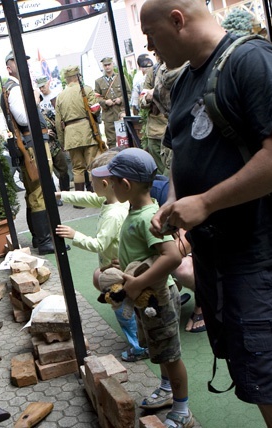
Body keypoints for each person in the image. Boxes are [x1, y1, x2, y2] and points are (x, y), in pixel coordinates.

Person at [142, 0, 272, 426]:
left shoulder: (252, 60)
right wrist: (174, 201)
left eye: (151, 32)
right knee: (253, 372)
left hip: (251, 250)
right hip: (216, 252)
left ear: (177, 20)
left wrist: (206, 202)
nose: (148, 44)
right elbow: (184, 150)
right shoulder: (186, 79)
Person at [93, 147, 191, 428]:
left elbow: (172, 256)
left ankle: (182, 410)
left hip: (157, 298)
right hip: (146, 300)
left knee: (171, 357)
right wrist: (122, 263)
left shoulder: (149, 218)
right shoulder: (135, 212)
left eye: (111, 181)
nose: (108, 186)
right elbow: (143, 255)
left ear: (125, 185)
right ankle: (167, 388)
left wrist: (136, 282)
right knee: (159, 349)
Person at [55, 150, 148, 362]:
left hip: (117, 272)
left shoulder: (113, 214)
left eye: (92, 183)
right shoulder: (113, 201)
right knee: (134, 306)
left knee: (124, 311)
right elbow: (89, 197)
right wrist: (62, 194)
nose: (90, 187)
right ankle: (143, 339)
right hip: (120, 266)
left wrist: (74, 235)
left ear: (106, 185)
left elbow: (99, 244)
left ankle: (139, 347)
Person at [0, 50, 55, 255]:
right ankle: (45, 241)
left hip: (30, 143)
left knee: (35, 191)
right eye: (19, 61)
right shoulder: (14, 89)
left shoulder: (12, 87)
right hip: (32, 143)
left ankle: (40, 238)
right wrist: (35, 100)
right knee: (40, 191)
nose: (25, 64)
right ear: (9, 66)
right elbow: (24, 118)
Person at [55, 65, 102, 202]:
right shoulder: (86, 90)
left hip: (70, 134)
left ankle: (79, 201)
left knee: (77, 168)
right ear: (78, 76)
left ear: (66, 78)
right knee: (92, 165)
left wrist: (62, 141)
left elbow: (58, 123)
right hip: (87, 131)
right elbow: (95, 109)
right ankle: (95, 197)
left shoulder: (60, 96)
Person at [139, 60, 186, 175]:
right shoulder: (153, 72)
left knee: (170, 174)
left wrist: (157, 92)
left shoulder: (183, 65)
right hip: (155, 131)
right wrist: (149, 97)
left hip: (174, 130)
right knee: (160, 174)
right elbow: (141, 100)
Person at [36, 75, 70, 205]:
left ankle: (66, 194)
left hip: (55, 142)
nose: (42, 89)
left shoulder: (52, 103)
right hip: (45, 144)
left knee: (63, 169)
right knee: (48, 173)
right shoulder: (35, 108)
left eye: (43, 86)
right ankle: (55, 197)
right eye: (40, 87)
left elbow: (60, 122)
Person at [95, 57, 130, 148]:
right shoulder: (99, 82)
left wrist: (121, 99)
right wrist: (105, 102)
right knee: (111, 142)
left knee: (125, 139)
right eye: (105, 65)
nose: (107, 67)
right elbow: (96, 98)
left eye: (109, 64)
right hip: (108, 115)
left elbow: (129, 94)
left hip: (120, 113)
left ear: (113, 64)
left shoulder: (121, 77)